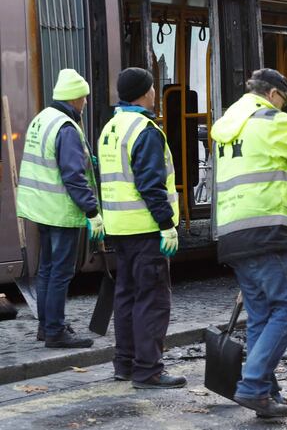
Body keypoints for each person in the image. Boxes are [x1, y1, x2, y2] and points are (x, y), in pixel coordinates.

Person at [211, 68, 287, 419]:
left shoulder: (230, 125)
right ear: (275, 95)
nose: (284, 109)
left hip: (235, 232)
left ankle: (265, 394)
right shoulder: (268, 120)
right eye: (285, 102)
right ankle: (251, 386)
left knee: (263, 314)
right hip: (267, 229)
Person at [98, 67, 185, 389]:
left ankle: (125, 363)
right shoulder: (145, 130)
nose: (154, 94)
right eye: (151, 89)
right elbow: (151, 184)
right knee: (153, 300)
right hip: (146, 228)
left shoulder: (111, 127)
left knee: (127, 297)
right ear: (145, 92)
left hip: (119, 228)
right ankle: (148, 370)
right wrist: (166, 225)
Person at [16, 68, 103, 348]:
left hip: (40, 208)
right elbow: (73, 176)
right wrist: (92, 210)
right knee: (60, 272)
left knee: (46, 270)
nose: (86, 102)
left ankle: (46, 326)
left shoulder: (42, 119)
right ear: (74, 98)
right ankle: (55, 331)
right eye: (84, 97)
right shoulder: (66, 127)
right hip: (60, 211)